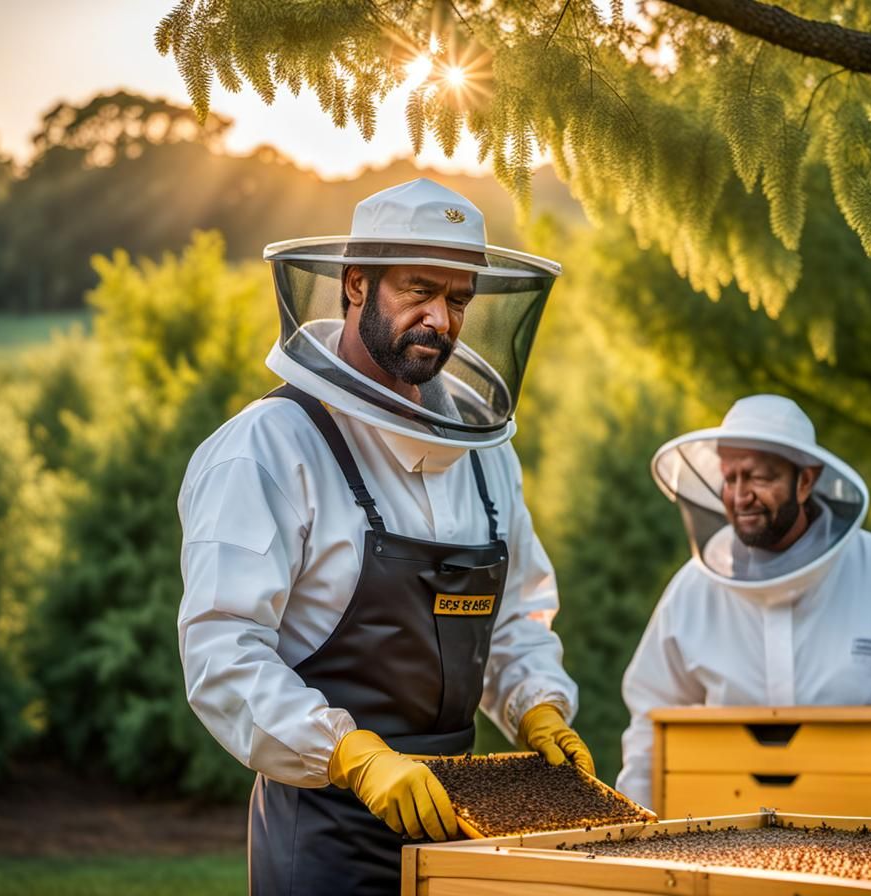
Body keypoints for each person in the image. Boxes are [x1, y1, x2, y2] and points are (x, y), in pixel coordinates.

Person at [177, 179, 593, 894]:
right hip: (323, 833)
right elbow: (223, 651)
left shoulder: (487, 456)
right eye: (419, 290)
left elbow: (518, 618)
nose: (440, 318)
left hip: (463, 832)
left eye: (458, 298)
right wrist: (350, 754)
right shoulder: (270, 446)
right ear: (356, 283)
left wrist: (538, 704)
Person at [615, 394, 871, 811]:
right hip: (735, 854)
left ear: (806, 480)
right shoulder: (693, 591)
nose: (740, 496)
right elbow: (651, 716)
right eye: (730, 477)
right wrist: (638, 830)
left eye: (759, 477)